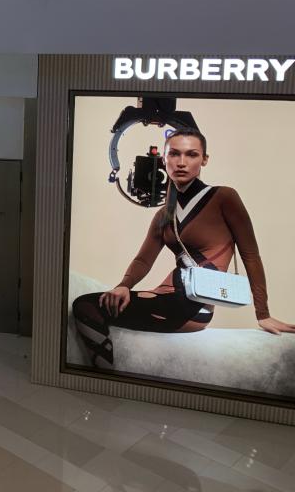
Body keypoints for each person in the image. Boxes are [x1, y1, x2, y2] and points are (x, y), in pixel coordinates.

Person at [72, 128, 295, 370]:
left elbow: (250, 255)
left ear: (205, 159)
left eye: (191, 155)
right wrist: (124, 285)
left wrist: (262, 313)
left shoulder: (224, 197)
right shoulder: (164, 213)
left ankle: (106, 379)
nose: (181, 162)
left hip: (191, 304)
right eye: (174, 154)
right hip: (165, 296)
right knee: (95, 302)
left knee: (86, 305)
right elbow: (143, 260)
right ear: (164, 159)